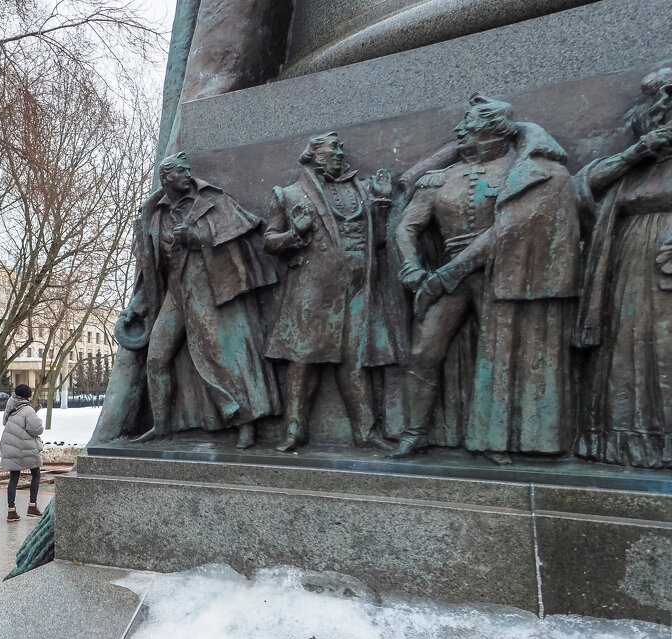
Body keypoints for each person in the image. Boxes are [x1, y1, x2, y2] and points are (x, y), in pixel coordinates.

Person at [391, 95, 580, 464]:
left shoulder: (525, 172)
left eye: (469, 126)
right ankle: (414, 433)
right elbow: (407, 227)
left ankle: (495, 438)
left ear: (494, 130)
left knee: (500, 356)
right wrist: (412, 267)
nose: (459, 131)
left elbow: (512, 228)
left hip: (505, 271)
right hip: (448, 276)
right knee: (423, 351)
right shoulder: (438, 179)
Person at [116, 152, 279, 448]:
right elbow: (151, 271)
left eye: (188, 170)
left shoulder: (212, 202)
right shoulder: (155, 215)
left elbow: (239, 239)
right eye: (181, 172)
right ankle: (162, 426)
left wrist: (199, 237)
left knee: (222, 356)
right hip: (176, 293)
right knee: (156, 358)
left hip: (209, 289)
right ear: (167, 178)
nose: (188, 175)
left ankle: (246, 423)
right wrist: (135, 307)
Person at [263, 132, 400, 454]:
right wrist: (295, 233)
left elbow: (378, 241)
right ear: (313, 156)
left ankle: (365, 433)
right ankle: (294, 430)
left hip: (359, 287)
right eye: (333, 149)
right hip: (313, 288)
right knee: (302, 362)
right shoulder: (289, 194)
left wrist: (381, 202)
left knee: (355, 362)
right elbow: (269, 242)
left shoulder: (362, 190)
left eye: (341, 148)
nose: (340, 153)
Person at [573, 68, 672, 469]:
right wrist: (638, 151)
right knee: (628, 346)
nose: (652, 112)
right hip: (628, 260)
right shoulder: (635, 163)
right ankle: (631, 441)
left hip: (666, 254)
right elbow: (580, 188)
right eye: (650, 107)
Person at [1, 384, 43, 523]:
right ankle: (32, 507)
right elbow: (37, 429)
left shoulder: (10, 405)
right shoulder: (28, 410)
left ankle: (11, 511)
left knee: (14, 478)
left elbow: (5, 422)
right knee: (36, 474)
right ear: (28, 396)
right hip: (25, 447)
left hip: (10, 444)